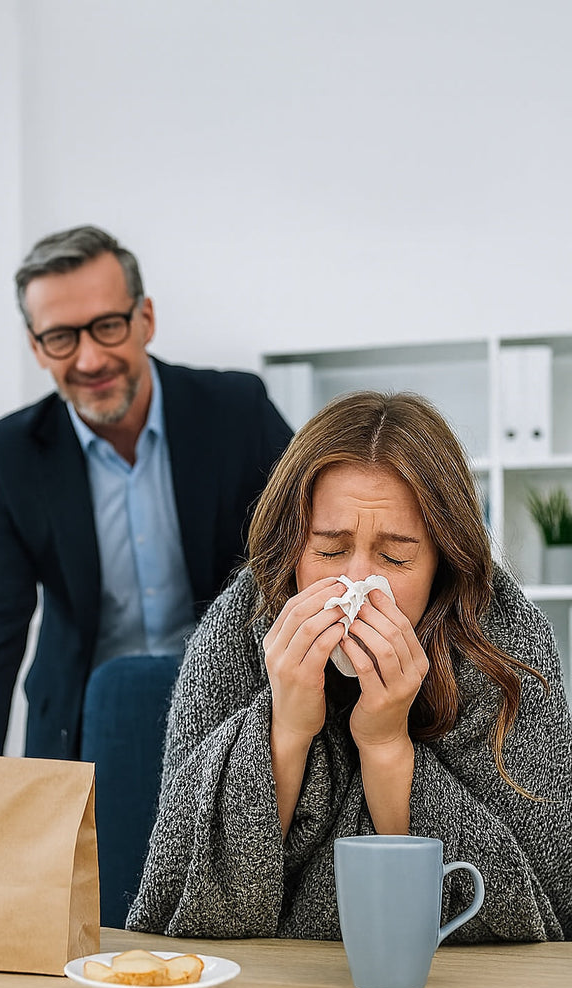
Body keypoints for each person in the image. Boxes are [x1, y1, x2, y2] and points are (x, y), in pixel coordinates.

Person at [126, 390, 572, 943]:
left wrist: (387, 747)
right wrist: (285, 728)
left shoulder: (505, 643)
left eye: (395, 557)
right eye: (330, 551)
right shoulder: (237, 628)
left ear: (443, 560)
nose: (355, 586)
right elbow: (180, 898)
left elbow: (539, 915)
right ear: (292, 546)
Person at [0, 224, 292, 760]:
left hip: (233, 716)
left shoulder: (237, 410)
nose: (89, 361)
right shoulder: (11, 453)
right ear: (37, 347)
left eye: (107, 326)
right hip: (83, 727)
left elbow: (308, 545)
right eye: (61, 338)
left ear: (145, 319)